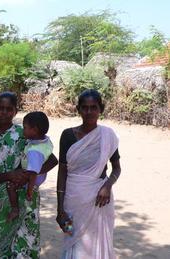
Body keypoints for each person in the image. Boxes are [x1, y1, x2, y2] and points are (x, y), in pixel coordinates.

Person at [0, 92, 58, 258]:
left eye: (9, 109)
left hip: (26, 198)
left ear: (15, 111)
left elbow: (52, 160)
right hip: (0, 203)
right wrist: (9, 175)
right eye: (0, 108)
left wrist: (28, 175)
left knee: (23, 246)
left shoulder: (23, 134)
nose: (4, 112)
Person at [56, 89, 121, 258]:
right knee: (71, 240)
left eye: (94, 107)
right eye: (85, 107)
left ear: (101, 109)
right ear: (78, 109)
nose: (89, 112)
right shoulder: (68, 135)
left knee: (95, 246)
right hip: (72, 201)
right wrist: (60, 209)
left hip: (100, 201)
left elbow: (116, 168)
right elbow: (62, 172)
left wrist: (107, 186)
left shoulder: (107, 136)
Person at [6, 111, 54, 222]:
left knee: (10, 186)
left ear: (35, 130)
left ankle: (14, 209)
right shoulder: (44, 141)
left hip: (32, 176)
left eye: (25, 127)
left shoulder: (34, 151)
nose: (23, 130)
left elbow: (32, 174)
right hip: (37, 172)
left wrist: (29, 190)